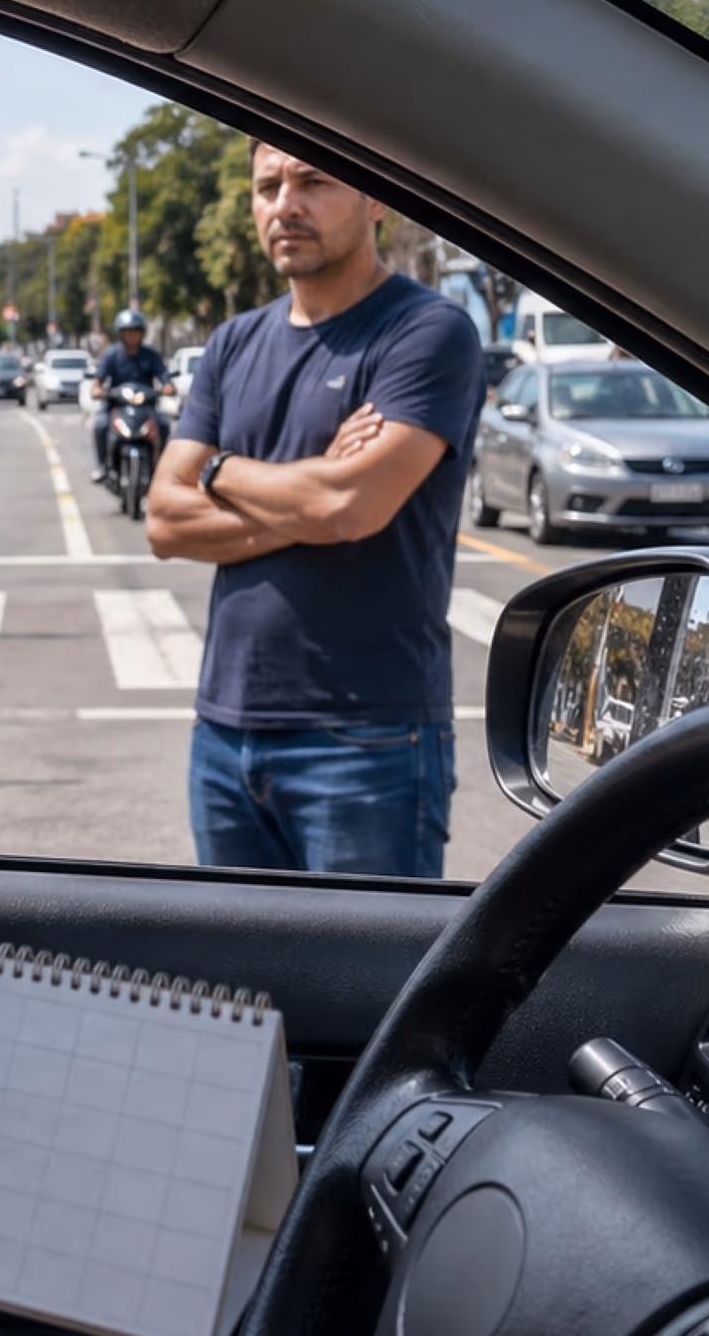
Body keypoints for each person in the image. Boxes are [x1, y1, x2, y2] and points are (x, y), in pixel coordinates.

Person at [145, 143, 483, 878]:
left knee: (365, 959)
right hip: (225, 734)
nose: (285, 205)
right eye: (267, 186)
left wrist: (218, 469)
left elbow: (347, 506)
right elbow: (164, 522)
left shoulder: (427, 332)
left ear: (375, 199)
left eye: (313, 181)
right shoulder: (233, 343)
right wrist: (314, 491)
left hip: (368, 740)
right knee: (233, 958)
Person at [88, 307, 172, 482]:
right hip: (117, 407)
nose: (131, 336)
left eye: (135, 332)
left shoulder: (151, 355)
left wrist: (167, 387)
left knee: (164, 425)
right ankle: (102, 466)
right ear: (121, 334)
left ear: (142, 333)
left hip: (146, 407)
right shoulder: (112, 354)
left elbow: (165, 379)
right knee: (100, 425)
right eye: (127, 332)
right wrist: (98, 391)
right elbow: (97, 382)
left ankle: (161, 469)